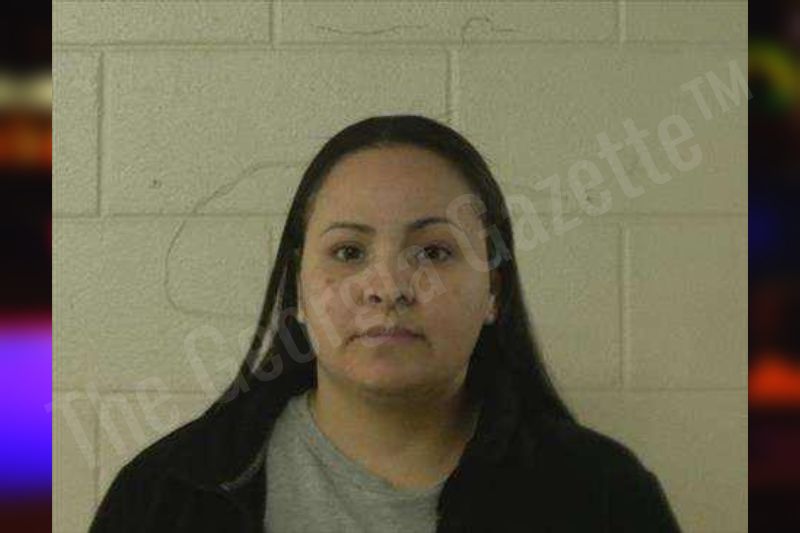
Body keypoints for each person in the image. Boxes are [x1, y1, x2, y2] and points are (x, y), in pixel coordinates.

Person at [89, 115, 682, 532]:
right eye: (348, 252)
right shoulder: (167, 496)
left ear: (493, 292)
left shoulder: (602, 497)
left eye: (434, 252)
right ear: (299, 289)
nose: (389, 287)